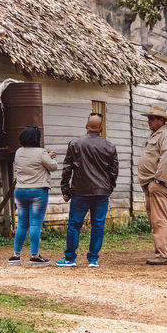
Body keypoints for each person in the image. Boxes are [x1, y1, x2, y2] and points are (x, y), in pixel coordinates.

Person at [56, 113, 118, 268]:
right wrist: (109, 187)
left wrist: (65, 189)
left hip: (80, 191)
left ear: (86, 126)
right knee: (98, 225)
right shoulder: (109, 146)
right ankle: (93, 259)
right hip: (101, 192)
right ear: (101, 129)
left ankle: (70, 258)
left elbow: (67, 169)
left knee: (74, 225)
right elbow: (114, 171)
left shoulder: (75, 144)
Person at [9, 126, 58, 266]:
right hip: (37, 192)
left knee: (22, 224)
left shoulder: (18, 152)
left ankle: (15, 255)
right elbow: (53, 167)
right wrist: (49, 157)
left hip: (20, 191)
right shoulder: (41, 152)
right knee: (35, 224)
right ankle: (34, 256)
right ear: (36, 138)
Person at [138, 105, 167, 265]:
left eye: (152, 118)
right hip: (151, 184)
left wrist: (158, 180)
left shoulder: (166, 136)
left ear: (161, 120)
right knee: (157, 219)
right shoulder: (155, 135)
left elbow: (166, 159)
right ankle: (166, 251)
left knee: (158, 220)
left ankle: (162, 254)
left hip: (158, 184)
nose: (149, 121)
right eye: (149, 118)